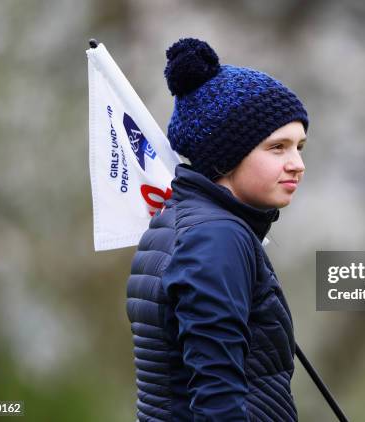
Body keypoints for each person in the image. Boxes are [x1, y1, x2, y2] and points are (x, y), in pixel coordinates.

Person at [126, 37, 308, 421]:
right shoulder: (217, 237)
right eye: (278, 148)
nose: (297, 164)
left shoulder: (178, 220)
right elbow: (218, 399)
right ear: (227, 155)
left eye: (299, 147)